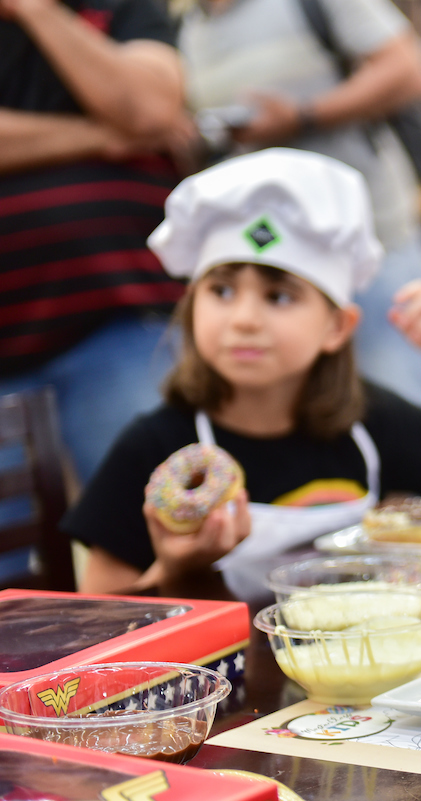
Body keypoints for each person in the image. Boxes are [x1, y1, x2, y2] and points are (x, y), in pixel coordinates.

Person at [64, 148, 421, 598]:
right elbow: (101, 609)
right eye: (221, 290)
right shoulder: (157, 448)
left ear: (337, 326)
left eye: (278, 297)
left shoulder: (364, 422)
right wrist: (176, 570)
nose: (243, 318)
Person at [170, 0, 421, 414]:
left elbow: (410, 69)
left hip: (373, 242)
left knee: (407, 397)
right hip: (273, 268)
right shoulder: (186, 29)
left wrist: (302, 117)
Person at [0, 0, 187, 486]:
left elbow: (147, 108)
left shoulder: (122, 6)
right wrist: (99, 136)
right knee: (15, 557)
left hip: (123, 323)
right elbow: (140, 126)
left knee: (162, 517)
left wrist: (37, 10)